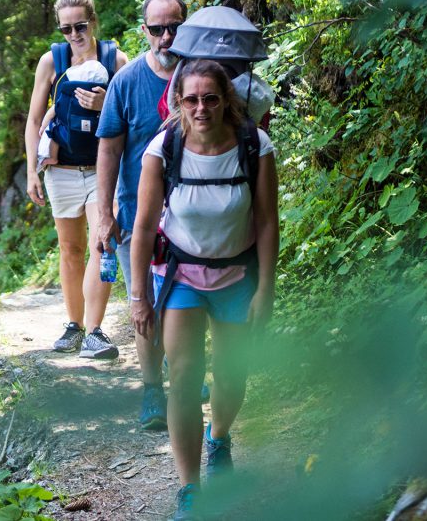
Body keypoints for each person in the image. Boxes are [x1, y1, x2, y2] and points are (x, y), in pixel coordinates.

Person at [129, 59, 279, 520]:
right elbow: (143, 227)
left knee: (233, 376)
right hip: (181, 275)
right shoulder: (163, 149)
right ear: (178, 103)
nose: (201, 108)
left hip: (238, 274)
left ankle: (220, 438)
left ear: (226, 101)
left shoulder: (255, 146)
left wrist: (266, 289)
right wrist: (139, 296)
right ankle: (190, 489)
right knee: (185, 379)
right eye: (191, 99)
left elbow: (268, 220)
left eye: (210, 98)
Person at [95, 0, 187, 428]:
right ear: (144, 31)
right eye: (158, 29)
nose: (167, 37)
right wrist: (104, 214)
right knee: (144, 303)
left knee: (185, 303)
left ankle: (182, 372)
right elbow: (109, 151)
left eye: (175, 27)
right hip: (138, 216)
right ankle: (152, 391)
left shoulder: (199, 79)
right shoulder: (126, 82)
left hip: (193, 214)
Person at [25, 0, 129, 358]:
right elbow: (34, 118)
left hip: (103, 169)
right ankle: (74, 324)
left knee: (103, 244)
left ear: (93, 21)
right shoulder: (51, 62)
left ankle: (96, 331)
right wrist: (31, 172)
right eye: (65, 29)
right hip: (62, 170)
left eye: (79, 27)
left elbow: (132, 116)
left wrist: (107, 103)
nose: (73, 36)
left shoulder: (116, 60)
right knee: (70, 248)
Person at [37, 59, 110, 170]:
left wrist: (44, 126)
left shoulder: (69, 95)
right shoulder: (102, 94)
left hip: (68, 137)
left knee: (53, 129)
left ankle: (52, 157)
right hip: (95, 140)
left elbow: (55, 109)